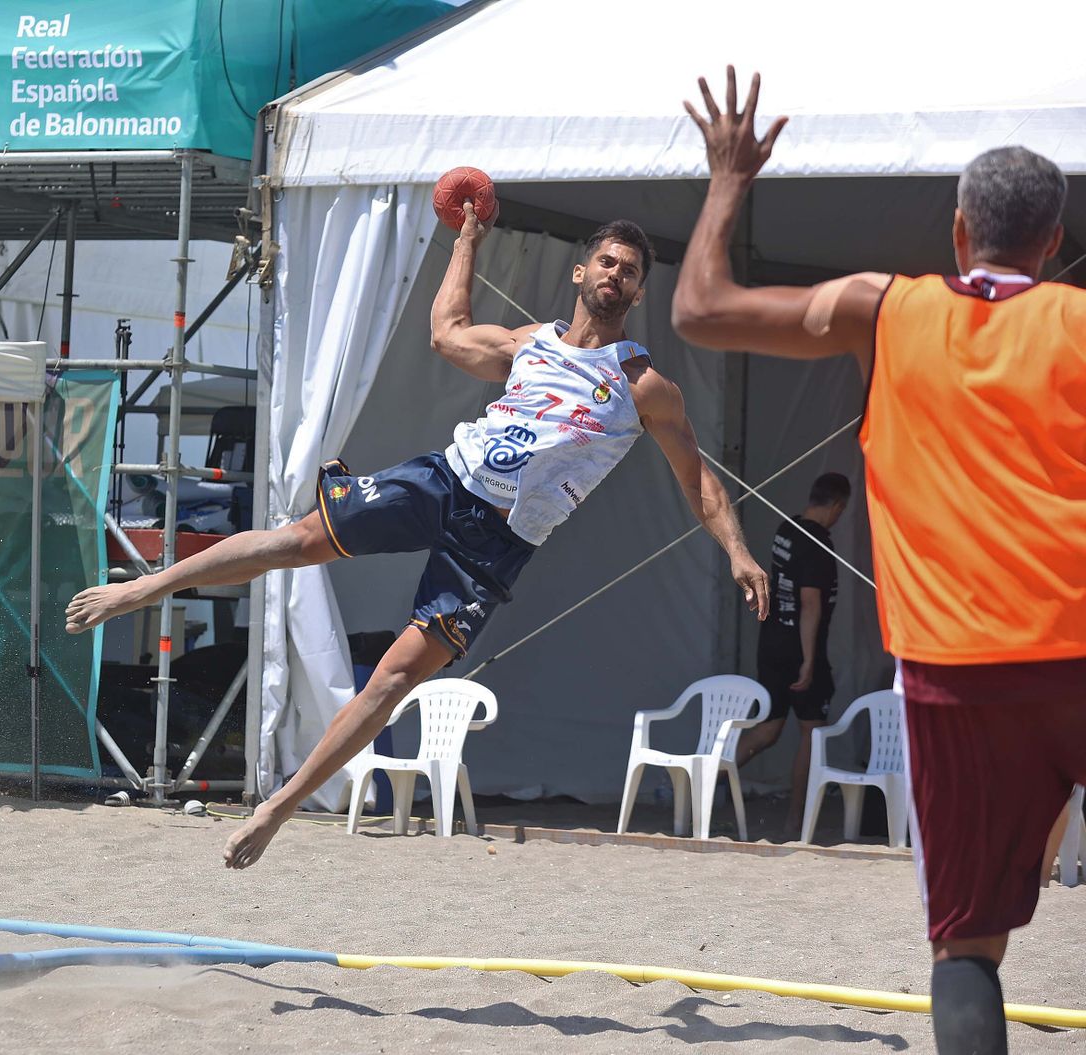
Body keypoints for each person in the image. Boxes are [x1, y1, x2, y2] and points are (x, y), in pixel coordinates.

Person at [67, 211, 771, 870]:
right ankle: (145, 586)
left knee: (398, 676)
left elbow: (699, 478)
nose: (616, 275)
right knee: (298, 539)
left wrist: (737, 551)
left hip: (496, 544)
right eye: (607, 262)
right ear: (581, 274)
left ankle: (278, 807)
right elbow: (446, 330)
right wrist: (467, 238)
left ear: (639, 291)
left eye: (629, 270)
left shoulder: (643, 384)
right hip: (445, 480)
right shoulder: (528, 344)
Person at [673, 67, 1086, 1055]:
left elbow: (698, 310)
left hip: (957, 670)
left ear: (956, 232)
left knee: (966, 952)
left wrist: (729, 176)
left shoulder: (883, 307)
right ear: (1055, 245)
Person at [737, 472, 851, 837]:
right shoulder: (818, 544)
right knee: (812, 732)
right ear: (837, 506)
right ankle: (796, 821)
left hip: (770, 641)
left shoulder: (786, 529)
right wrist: (808, 659)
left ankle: (707, 782)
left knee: (768, 729)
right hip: (798, 647)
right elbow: (810, 604)